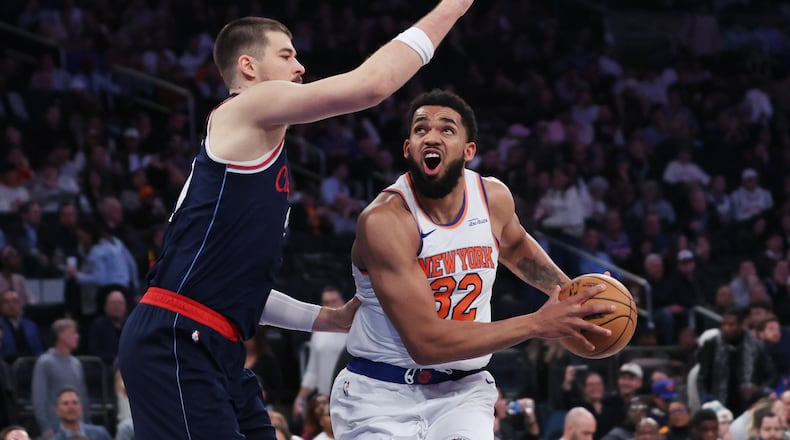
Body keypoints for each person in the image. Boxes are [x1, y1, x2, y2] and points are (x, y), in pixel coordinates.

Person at [117, 2, 476, 439]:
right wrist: (451, 8)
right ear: (248, 67)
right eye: (286, 55)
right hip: (176, 339)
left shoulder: (250, 156)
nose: (301, 66)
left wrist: (330, 318)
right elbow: (372, 86)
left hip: (210, 339)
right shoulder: (246, 106)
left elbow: (238, 290)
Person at [329, 90, 615, 439]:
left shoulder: (492, 198)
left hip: (462, 393)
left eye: (446, 129)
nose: (431, 136)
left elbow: (515, 246)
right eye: (421, 130)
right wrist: (538, 323)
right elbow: (426, 344)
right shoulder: (385, 221)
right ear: (408, 149)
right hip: (380, 392)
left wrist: (573, 295)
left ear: (469, 151)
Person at [292, 286, 349, 420]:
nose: (330, 306)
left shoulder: (356, 329)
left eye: (333, 301)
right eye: (326, 302)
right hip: (325, 399)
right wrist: (300, 398)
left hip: (350, 394)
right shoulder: (318, 333)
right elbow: (312, 372)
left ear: (343, 301)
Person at [32, 319, 89, 439]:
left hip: (79, 429)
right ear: (61, 335)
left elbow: (83, 397)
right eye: (73, 332)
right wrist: (45, 427)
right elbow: (39, 398)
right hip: (55, 429)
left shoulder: (76, 363)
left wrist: (86, 423)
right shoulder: (45, 362)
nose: (77, 336)